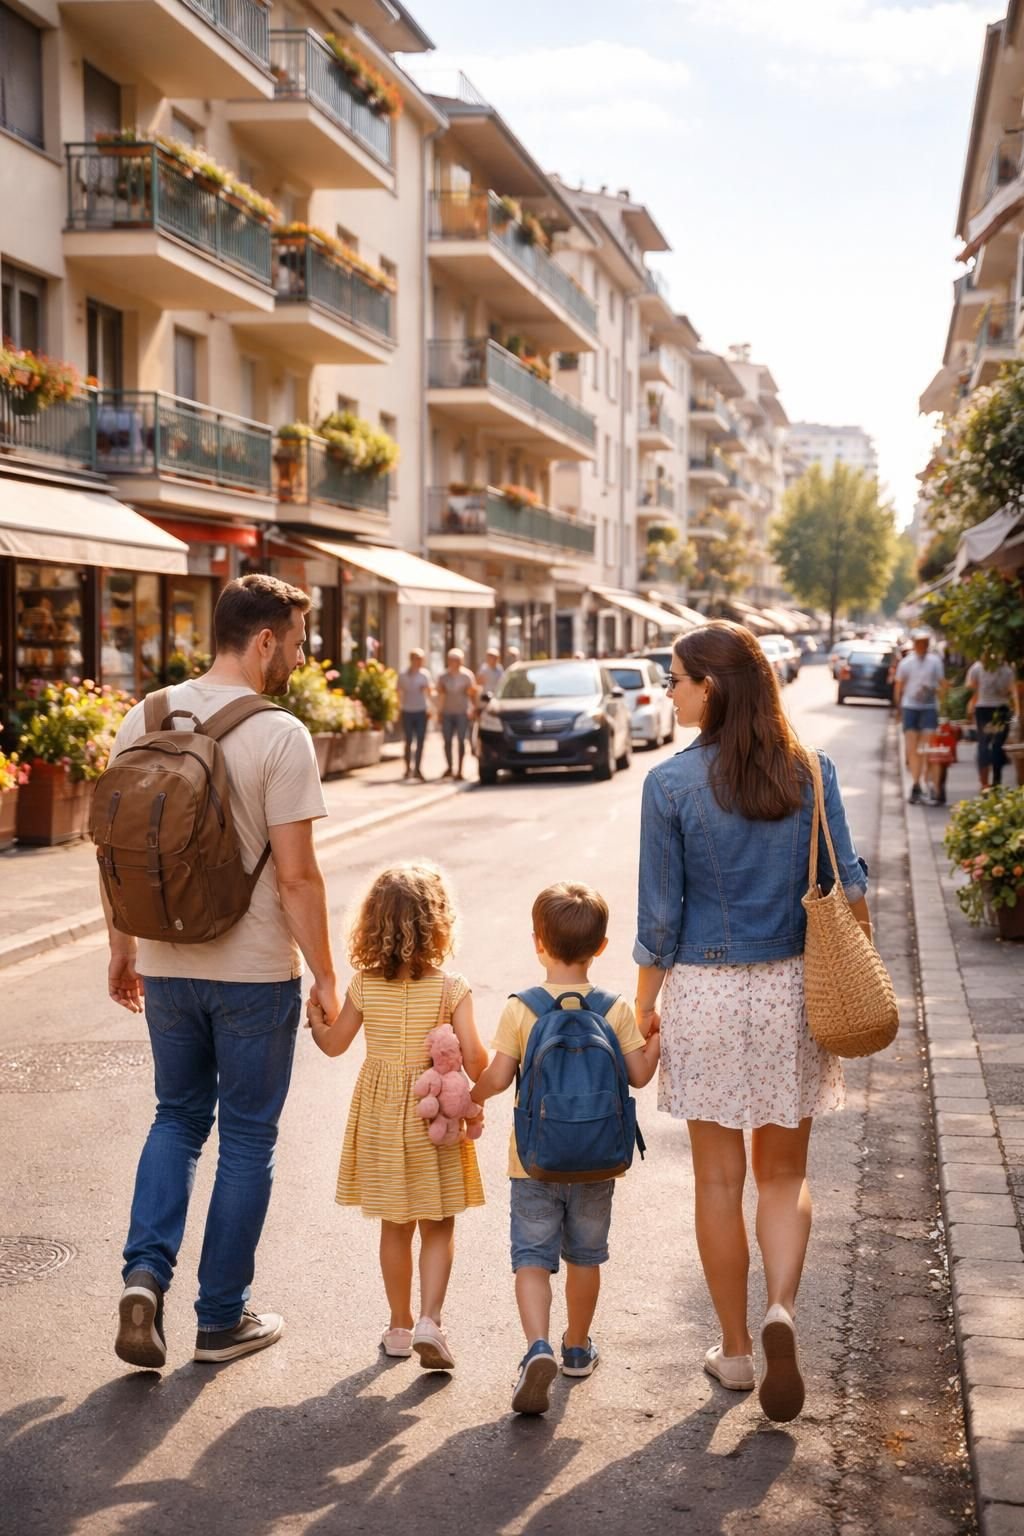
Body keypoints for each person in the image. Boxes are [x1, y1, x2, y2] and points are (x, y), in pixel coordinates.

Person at [634, 621, 870, 1424]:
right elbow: (852, 887)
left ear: (714, 687)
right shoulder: (812, 771)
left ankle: (734, 1351)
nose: (669, 692)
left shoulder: (668, 785)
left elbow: (659, 920)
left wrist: (641, 1003)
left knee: (717, 1180)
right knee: (783, 1176)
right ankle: (782, 1311)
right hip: (791, 995)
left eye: (676, 679)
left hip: (703, 992)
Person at [107, 574, 335, 1369]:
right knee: (245, 1139)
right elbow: (300, 878)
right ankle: (220, 1319)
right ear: (264, 639)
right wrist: (328, 978)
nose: (299, 658)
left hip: (166, 962)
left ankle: (143, 1279)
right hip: (253, 973)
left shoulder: (145, 714)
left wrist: (122, 946)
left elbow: (117, 846)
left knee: (175, 1119)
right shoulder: (280, 734)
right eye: (297, 642)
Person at [471, 882, 660, 1416]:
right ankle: (577, 1346)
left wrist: (472, 1092)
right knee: (585, 1256)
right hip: (598, 1160)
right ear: (601, 947)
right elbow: (640, 1077)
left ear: (538, 942)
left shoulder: (521, 1010)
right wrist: (655, 1037)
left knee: (532, 1258)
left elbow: (495, 1077)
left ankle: (537, 1347)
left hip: (533, 1162)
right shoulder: (615, 1008)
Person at [307, 862, 486, 1370]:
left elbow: (336, 1045)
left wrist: (317, 1021)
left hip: (383, 1116)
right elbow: (475, 1059)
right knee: (438, 1221)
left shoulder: (364, 986)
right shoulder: (452, 989)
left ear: (372, 926)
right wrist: (495, 1070)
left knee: (394, 1224)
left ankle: (400, 1326)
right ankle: (432, 1319)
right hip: (435, 1121)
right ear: (439, 923)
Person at [894, 629, 945, 804]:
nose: (922, 646)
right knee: (912, 748)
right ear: (914, 644)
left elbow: (942, 683)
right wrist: (898, 709)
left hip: (929, 707)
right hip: (911, 707)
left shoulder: (934, 661)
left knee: (928, 747)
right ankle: (916, 784)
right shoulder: (906, 663)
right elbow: (899, 686)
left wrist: (937, 694)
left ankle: (928, 782)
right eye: (919, 642)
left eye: (925, 643)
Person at [966, 657, 1017, 789]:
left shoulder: (977, 667)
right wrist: (1016, 710)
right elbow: (1013, 690)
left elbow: (970, 685)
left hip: (983, 709)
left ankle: (984, 783)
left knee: (983, 743)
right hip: (1001, 710)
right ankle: (996, 781)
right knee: (997, 744)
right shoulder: (1007, 669)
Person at [436, 647, 477, 780]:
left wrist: (473, 709)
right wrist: (439, 712)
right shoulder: (443, 677)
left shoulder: (467, 676)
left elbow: (472, 694)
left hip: (462, 713)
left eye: (458, 660)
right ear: (448, 661)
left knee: (461, 740)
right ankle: (449, 767)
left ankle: (460, 770)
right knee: (447, 741)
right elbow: (440, 695)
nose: (455, 662)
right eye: (452, 660)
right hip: (447, 712)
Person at [397, 648, 433, 782]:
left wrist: (430, 708)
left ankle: (417, 769)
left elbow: (429, 692)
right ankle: (407, 768)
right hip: (407, 710)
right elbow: (398, 692)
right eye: (417, 659)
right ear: (412, 660)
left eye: (421, 659)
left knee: (420, 741)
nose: (420, 662)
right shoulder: (403, 675)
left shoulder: (425, 675)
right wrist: (399, 708)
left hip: (421, 711)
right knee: (408, 741)